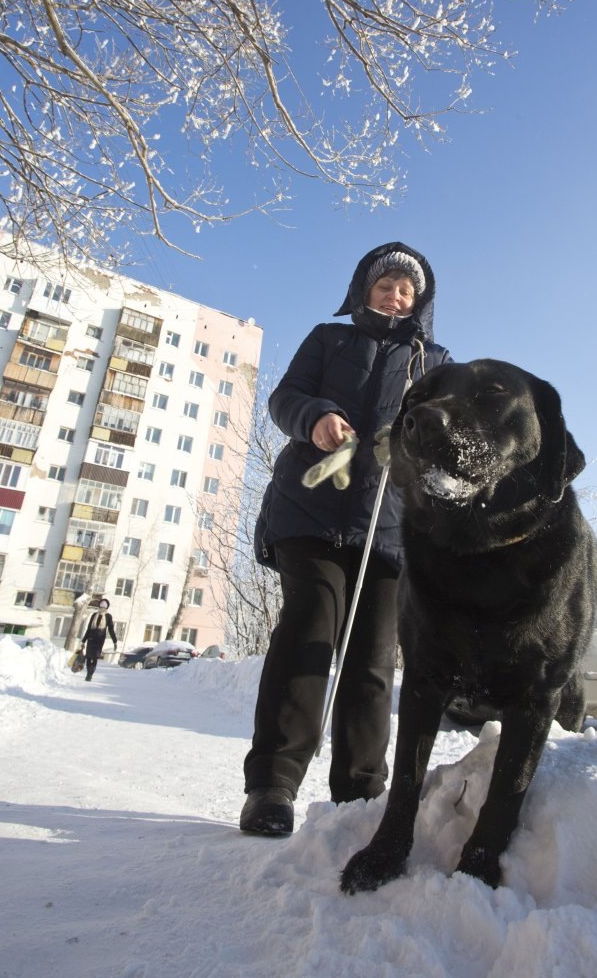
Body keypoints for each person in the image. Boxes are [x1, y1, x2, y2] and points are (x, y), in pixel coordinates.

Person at [241, 241, 451, 836]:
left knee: (373, 660)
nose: (396, 295)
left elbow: (441, 440)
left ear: (420, 301)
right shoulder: (328, 339)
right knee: (309, 628)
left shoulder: (432, 361)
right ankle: (272, 788)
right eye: (386, 285)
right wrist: (317, 418)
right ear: (364, 290)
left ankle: (359, 798)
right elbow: (284, 400)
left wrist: (412, 447)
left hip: (387, 527)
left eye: (407, 289)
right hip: (310, 509)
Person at [81, 598, 117, 681]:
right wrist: (83, 640)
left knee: (95, 658)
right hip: (91, 639)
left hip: (99, 641)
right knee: (89, 658)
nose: (103, 608)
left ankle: (90, 674)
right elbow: (89, 628)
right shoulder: (94, 615)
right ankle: (88, 673)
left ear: (107, 607)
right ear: (99, 606)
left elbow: (111, 630)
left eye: (105, 606)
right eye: (101, 606)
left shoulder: (108, 617)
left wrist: (114, 641)